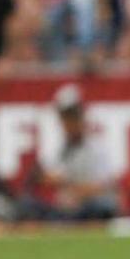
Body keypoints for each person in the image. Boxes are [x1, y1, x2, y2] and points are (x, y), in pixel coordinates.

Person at [19, 85, 118, 221]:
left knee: (102, 205)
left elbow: (105, 187)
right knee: (28, 204)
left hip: (89, 205)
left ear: (82, 116)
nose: (70, 123)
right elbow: (44, 178)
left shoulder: (98, 146)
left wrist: (71, 187)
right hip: (64, 208)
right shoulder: (56, 146)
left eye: (73, 117)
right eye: (66, 118)